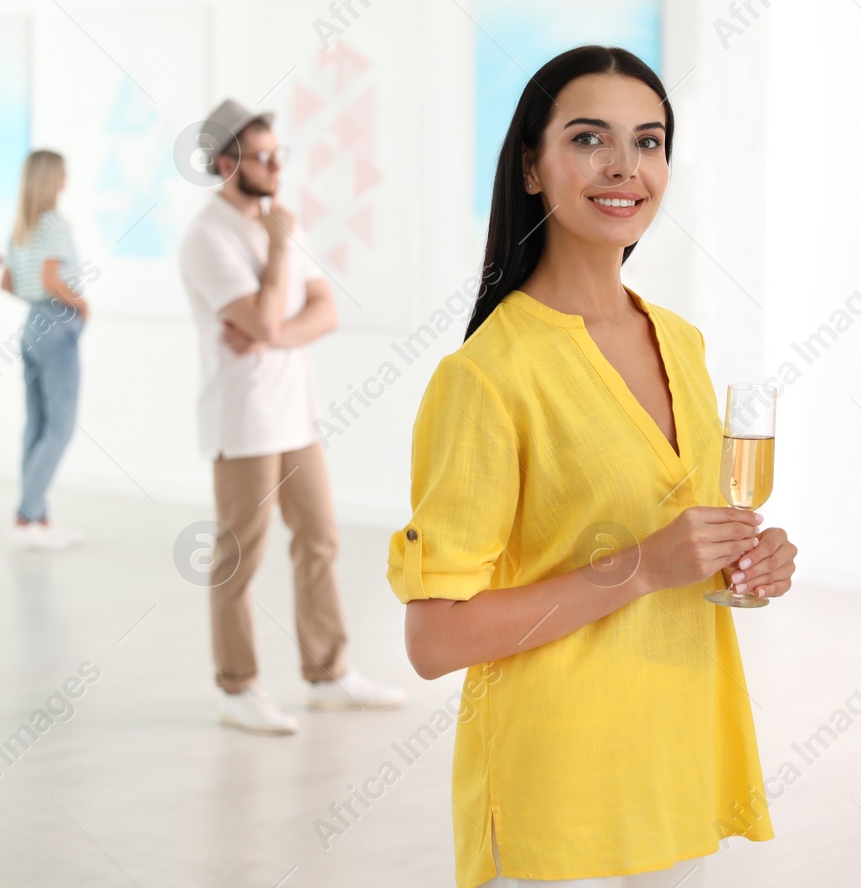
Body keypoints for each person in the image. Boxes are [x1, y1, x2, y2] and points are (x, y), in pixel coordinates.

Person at [387, 46, 800, 888]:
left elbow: (687, 549)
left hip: (678, 768)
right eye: (588, 139)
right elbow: (436, 639)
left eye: (649, 142)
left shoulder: (681, 342)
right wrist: (641, 566)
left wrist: (749, 562)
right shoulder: (487, 376)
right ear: (533, 168)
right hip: (560, 796)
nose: (625, 167)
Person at [179, 98, 405, 735]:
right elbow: (271, 313)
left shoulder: (282, 222)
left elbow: (323, 312)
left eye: (281, 155)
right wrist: (278, 259)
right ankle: (237, 687)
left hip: (294, 414)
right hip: (243, 419)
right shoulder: (209, 236)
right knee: (239, 556)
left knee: (319, 539)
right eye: (265, 157)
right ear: (227, 163)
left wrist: (272, 334)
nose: (279, 167)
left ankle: (328, 674)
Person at [0, 149, 89, 551]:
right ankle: (25, 516)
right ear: (52, 179)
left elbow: (8, 282)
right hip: (57, 321)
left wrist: (39, 300)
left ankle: (37, 518)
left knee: (36, 426)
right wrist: (81, 303)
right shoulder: (53, 223)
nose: (67, 178)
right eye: (63, 173)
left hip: (34, 322)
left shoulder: (22, 226)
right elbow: (51, 277)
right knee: (60, 428)